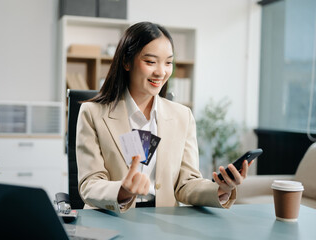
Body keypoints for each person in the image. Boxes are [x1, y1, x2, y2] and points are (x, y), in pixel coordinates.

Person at [75, 21, 252, 213]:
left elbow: (186, 184)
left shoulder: (182, 116)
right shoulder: (92, 113)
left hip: (164, 221)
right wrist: (122, 191)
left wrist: (221, 189)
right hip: (111, 216)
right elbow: (89, 184)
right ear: (126, 62)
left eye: (168, 62)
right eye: (150, 62)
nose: (161, 72)